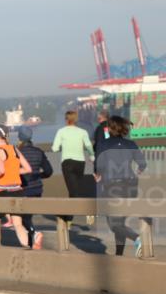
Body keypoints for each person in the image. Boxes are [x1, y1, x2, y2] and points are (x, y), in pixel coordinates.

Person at [95, 115, 147, 257]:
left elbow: (99, 167)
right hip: (131, 186)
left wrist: (98, 175)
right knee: (120, 222)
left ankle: (137, 238)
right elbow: (142, 164)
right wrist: (137, 172)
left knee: (114, 224)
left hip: (112, 187)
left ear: (110, 128)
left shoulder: (103, 145)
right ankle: (119, 255)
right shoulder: (131, 144)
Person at [0, 127, 33, 249]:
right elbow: (28, 169)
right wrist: (12, 172)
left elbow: (1, 171)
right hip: (17, 190)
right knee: (18, 223)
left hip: (1, 191)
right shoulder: (14, 149)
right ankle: (27, 246)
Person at [51, 110, 94, 227]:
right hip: (80, 162)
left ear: (66, 119)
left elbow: (54, 148)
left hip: (67, 162)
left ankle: (79, 215)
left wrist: (63, 147)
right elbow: (89, 145)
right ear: (76, 120)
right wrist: (92, 155)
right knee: (75, 189)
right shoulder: (82, 132)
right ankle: (74, 217)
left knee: (73, 191)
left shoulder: (61, 132)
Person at [17, 126, 52, 250]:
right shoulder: (39, 152)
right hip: (37, 189)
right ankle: (31, 239)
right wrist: (38, 176)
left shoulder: (17, 152)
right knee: (27, 216)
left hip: (22, 189)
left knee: (20, 217)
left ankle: (34, 235)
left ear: (19, 137)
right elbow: (49, 171)